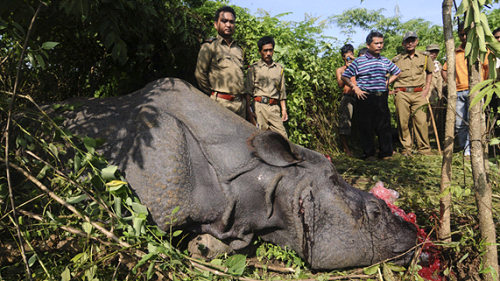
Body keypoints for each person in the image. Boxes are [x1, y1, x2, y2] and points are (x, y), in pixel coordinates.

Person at [342, 31, 401, 161]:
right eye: (376, 43)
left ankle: (385, 153)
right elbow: (345, 76)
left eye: (381, 43)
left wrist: (387, 82)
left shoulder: (385, 61)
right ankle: (369, 154)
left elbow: (397, 72)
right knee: (366, 126)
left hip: (381, 96)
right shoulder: (359, 61)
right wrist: (355, 87)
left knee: (384, 126)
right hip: (365, 97)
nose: (379, 45)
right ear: (368, 45)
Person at [195, 6, 252, 122]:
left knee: (240, 139)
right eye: (224, 21)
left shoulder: (239, 49)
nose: (228, 25)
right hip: (221, 104)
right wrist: (213, 95)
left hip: (240, 106)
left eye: (231, 22)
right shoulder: (210, 46)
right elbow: (200, 74)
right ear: (216, 24)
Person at [442, 23, 489, 157]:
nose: (464, 37)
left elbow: (487, 69)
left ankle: (470, 151)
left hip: (476, 90)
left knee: (473, 121)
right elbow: (444, 71)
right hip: (458, 91)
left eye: (466, 34)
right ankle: (464, 148)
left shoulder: (481, 50)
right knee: (459, 123)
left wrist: (484, 86)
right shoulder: (455, 53)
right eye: (461, 34)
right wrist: (451, 83)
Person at [391, 31, 435, 156]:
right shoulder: (396, 60)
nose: (410, 43)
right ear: (403, 43)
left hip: (419, 93)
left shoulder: (425, 57)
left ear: (417, 41)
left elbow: (430, 72)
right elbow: (388, 75)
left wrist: (427, 89)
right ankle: (406, 148)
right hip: (402, 93)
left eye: (412, 40)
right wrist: (389, 90)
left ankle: (424, 149)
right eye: (407, 41)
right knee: (402, 121)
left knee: (421, 121)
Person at [245, 36, 288, 138]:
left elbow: (282, 91)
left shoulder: (279, 69)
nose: (268, 53)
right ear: (260, 52)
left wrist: (284, 109)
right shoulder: (254, 68)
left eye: (270, 50)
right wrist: (248, 110)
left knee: (284, 139)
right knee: (259, 138)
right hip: (259, 107)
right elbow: (248, 91)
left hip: (274, 109)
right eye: (265, 50)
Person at [335, 44, 356, 156]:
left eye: (350, 55)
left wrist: (354, 63)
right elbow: (340, 84)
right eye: (345, 56)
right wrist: (347, 70)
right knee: (345, 123)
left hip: (359, 96)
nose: (348, 57)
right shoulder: (340, 70)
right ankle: (346, 148)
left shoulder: (358, 66)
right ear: (343, 57)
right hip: (347, 97)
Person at [426, 43, 445, 139]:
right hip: (421, 95)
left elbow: (440, 82)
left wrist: (440, 97)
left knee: (432, 117)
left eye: (436, 52)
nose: (433, 54)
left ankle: (429, 136)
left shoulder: (437, 65)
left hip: (433, 96)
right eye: (431, 52)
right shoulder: (422, 63)